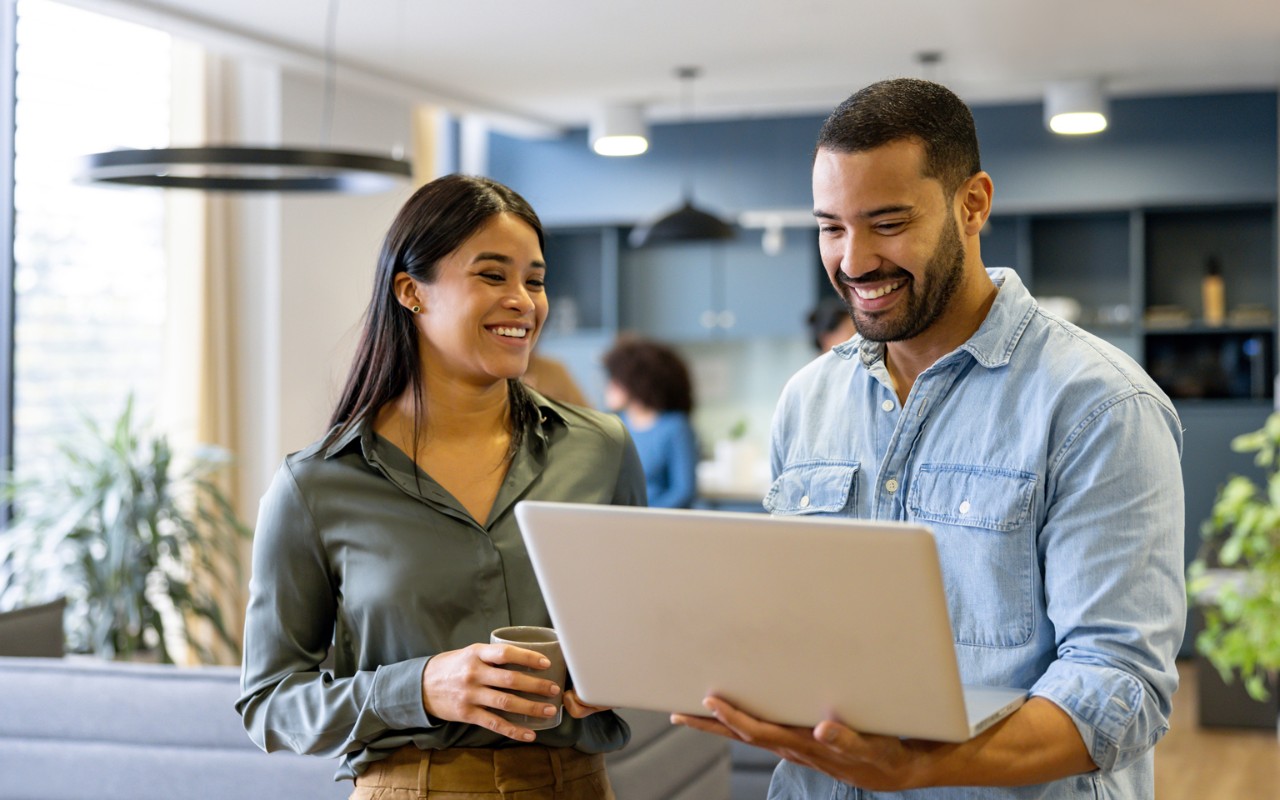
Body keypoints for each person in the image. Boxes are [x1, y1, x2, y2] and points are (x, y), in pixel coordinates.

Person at [673, 78, 1185, 799]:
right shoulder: (808, 399)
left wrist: (922, 766)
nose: (853, 261)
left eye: (887, 223)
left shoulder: (1100, 406)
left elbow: (1120, 686)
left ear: (972, 204)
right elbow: (789, 628)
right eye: (831, 228)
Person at [236, 174, 647, 800]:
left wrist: (616, 673)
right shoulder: (317, 484)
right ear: (411, 291)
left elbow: (642, 624)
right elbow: (269, 703)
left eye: (535, 281)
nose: (523, 301)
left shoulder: (601, 449)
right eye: (492, 275)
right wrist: (419, 688)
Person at [602, 337, 699, 509]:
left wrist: (643, 517)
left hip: (658, 520)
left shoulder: (675, 427)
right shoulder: (611, 424)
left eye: (616, 380)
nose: (609, 387)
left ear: (637, 381)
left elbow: (684, 492)